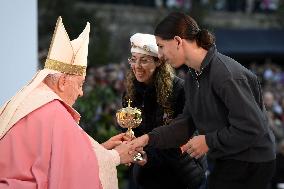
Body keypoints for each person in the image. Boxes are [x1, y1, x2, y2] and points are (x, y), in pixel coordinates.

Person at [130, 12, 276, 189]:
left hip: (250, 162)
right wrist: (147, 139)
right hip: (229, 159)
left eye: (161, 46)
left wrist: (208, 141)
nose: (160, 54)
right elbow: (185, 123)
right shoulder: (194, 75)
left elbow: (252, 127)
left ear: (177, 41)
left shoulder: (225, 74)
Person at [0, 17, 136, 189]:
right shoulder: (54, 111)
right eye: (80, 84)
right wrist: (116, 156)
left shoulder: (28, 100)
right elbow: (70, 176)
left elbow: (59, 163)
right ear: (63, 81)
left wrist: (101, 149)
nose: (81, 92)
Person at [123, 33, 206, 189]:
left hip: (180, 175)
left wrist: (148, 156)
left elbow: (182, 136)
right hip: (146, 176)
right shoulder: (131, 93)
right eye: (133, 59)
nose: (137, 66)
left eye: (144, 60)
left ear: (159, 61)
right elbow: (131, 130)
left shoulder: (180, 90)